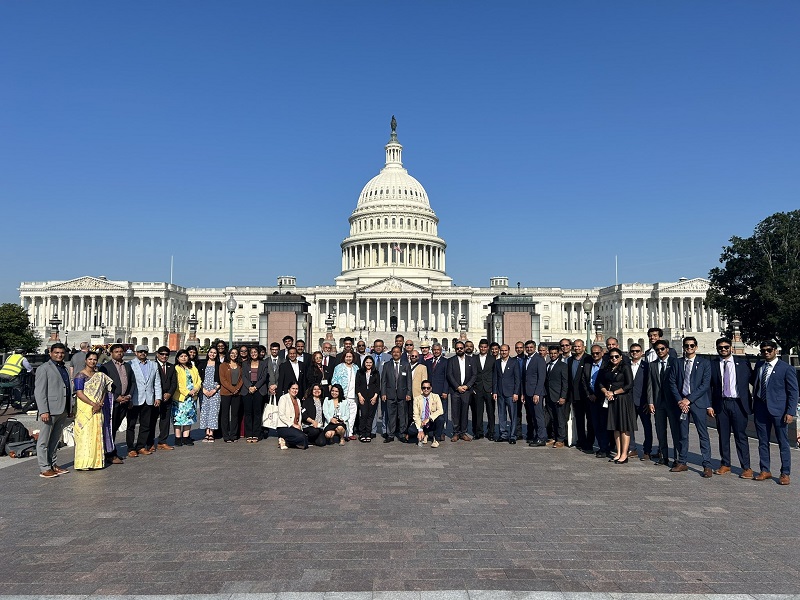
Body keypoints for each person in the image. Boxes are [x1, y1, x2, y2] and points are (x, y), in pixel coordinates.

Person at [750, 341, 798, 485]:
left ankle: (785, 473)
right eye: (763, 350)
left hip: (779, 410)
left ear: (775, 351)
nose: (766, 352)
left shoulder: (786, 368)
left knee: (783, 442)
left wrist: (790, 412)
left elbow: (793, 392)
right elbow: (755, 382)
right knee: (762, 442)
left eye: (769, 350)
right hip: (761, 409)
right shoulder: (759, 365)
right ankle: (765, 470)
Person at [708, 337, 753, 478]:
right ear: (717, 349)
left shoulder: (742, 363)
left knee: (741, 436)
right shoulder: (713, 364)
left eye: (726, 347)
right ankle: (725, 463)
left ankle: (746, 467)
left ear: (731, 348)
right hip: (721, 403)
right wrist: (709, 405)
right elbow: (709, 386)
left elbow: (753, 381)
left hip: (738, 403)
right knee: (723, 436)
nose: (723, 350)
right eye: (720, 348)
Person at [668, 336, 713, 477]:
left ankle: (707, 464)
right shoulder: (678, 362)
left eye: (692, 346)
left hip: (697, 403)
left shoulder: (704, 363)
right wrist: (680, 401)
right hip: (682, 403)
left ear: (696, 347)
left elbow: (705, 385)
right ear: (683, 347)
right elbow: (672, 382)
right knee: (683, 434)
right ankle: (682, 461)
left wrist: (689, 400)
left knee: (703, 434)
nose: (689, 348)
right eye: (686, 346)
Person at [73, 350, 117, 470]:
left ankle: (95, 462)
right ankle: (83, 463)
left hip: (98, 408)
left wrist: (100, 403)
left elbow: (104, 390)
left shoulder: (100, 376)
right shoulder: (80, 375)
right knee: (84, 434)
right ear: (85, 361)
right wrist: (92, 404)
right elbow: (79, 393)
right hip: (85, 408)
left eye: (94, 359)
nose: (92, 361)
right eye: (90, 359)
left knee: (97, 434)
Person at [34, 343, 73, 478]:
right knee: (44, 440)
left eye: (61, 353)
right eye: (56, 352)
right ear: (50, 353)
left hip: (62, 408)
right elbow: (39, 392)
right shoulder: (43, 368)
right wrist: (43, 410)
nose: (59, 355)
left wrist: (70, 407)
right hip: (50, 410)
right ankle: (44, 467)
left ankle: (52, 464)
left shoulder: (65, 368)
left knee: (55, 440)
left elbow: (67, 388)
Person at [597, 349, 636, 464]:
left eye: (616, 356)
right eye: (611, 357)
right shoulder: (607, 368)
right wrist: (606, 392)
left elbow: (629, 385)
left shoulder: (625, 367)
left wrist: (614, 392)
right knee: (615, 427)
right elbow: (600, 382)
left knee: (624, 428)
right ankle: (618, 452)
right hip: (611, 400)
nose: (614, 359)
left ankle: (624, 454)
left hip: (623, 399)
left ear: (621, 357)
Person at [646, 340, 680, 466]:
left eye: (662, 349)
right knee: (661, 431)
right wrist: (650, 402)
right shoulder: (652, 365)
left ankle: (677, 458)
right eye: (657, 350)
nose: (660, 351)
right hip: (658, 402)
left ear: (667, 349)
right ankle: (663, 456)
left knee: (675, 431)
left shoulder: (675, 362)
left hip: (672, 402)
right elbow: (650, 385)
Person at [99, 344, 133, 463]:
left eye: (121, 351)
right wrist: (115, 397)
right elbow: (102, 386)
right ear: (111, 353)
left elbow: (132, 382)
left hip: (124, 401)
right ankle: (110, 453)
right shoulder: (105, 367)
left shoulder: (127, 366)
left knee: (116, 427)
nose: (119, 353)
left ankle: (110, 450)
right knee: (110, 428)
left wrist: (128, 395)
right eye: (116, 351)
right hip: (112, 402)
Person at [127, 345, 162, 457]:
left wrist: (158, 397)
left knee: (145, 425)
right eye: (140, 351)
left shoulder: (153, 365)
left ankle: (141, 446)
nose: (143, 353)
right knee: (131, 425)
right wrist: (129, 397)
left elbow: (157, 382)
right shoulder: (130, 364)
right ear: (136, 353)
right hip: (135, 398)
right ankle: (131, 447)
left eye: (145, 351)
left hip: (148, 398)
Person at [582, 345, 610, 458]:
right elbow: (584, 380)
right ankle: (601, 446)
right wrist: (589, 394)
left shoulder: (607, 364)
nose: (595, 355)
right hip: (592, 398)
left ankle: (605, 448)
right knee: (595, 424)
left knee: (604, 424)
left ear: (602, 353)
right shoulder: (588, 364)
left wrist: (600, 394)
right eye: (593, 353)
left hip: (603, 398)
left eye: (597, 353)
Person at [446, 341, 476, 442]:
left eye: (461, 348)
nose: (459, 350)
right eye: (457, 348)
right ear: (455, 349)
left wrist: (467, 386)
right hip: (455, 391)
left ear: (464, 349)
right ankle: (456, 433)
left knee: (464, 411)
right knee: (455, 412)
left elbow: (474, 375)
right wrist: (457, 386)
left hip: (466, 390)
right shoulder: (451, 360)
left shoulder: (471, 360)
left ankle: (463, 432)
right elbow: (449, 375)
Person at [381, 345, 412, 443]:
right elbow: (384, 381)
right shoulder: (387, 365)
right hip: (390, 394)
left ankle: (402, 434)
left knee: (402, 415)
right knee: (391, 415)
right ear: (391, 353)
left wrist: (408, 393)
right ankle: (391, 434)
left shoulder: (406, 365)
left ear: (401, 353)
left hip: (402, 394)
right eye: (394, 352)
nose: (395, 353)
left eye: (397, 352)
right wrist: (383, 393)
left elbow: (409, 381)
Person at [627, 343, 653, 460]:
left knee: (647, 426)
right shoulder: (625, 365)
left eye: (637, 351)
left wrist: (649, 402)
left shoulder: (647, 366)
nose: (635, 353)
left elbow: (650, 385)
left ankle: (647, 450)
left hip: (643, 402)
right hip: (629, 401)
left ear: (641, 352)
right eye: (632, 351)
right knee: (629, 426)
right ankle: (632, 448)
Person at [568, 340, 593, 453]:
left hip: (587, 395)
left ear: (583, 347)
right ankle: (581, 440)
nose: (577, 348)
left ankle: (590, 442)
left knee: (590, 420)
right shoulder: (570, 360)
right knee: (579, 419)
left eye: (579, 346)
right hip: (575, 395)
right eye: (575, 346)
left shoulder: (589, 359)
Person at [150, 346, 177, 451]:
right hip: (155, 398)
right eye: (162, 354)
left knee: (165, 421)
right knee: (152, 421)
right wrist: (159, 395)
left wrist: (169, 393)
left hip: (167, 398)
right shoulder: (152, 365)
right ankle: (150, 443)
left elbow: (174, 382)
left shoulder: (171, 366)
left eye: (166, 354)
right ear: (157, 354)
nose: (164, 356)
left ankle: (162, 441)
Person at [492, 344, 520, 444]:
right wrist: (494, 391)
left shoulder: (514, 362)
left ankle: (512, 435)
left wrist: (516, 393)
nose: (503, 352)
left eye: (505, 350)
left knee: (513, 415)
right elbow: (495, 378)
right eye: (502, 350)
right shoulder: (497, 362)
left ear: (509, 351)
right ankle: (503, 434)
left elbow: (517, 379)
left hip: (511, 393)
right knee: (501, 414)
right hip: (500, 393)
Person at [172, 349, 200, 446]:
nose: (184, 358)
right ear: (178, 358)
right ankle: (178, 438)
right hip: (180, 397)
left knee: (189, 417)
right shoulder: (176, 368)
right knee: (178, 418)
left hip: (192, 397)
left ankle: (186, 437)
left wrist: (195, 389)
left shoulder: (192, 368)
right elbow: (177, 383)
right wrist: (187, 392)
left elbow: (198, 380)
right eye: (181, 356)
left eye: (185, 356)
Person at [242, 346, 269, 442]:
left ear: (258, 353)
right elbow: (243, 376)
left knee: (257, 412)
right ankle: (249, 434)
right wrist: (250, 386)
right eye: (251, 352)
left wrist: (255, 387)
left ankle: (257, 434)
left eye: (255, 352)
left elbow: (264, 377)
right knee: (248, 412)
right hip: (247, 389)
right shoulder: (245, 364)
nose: (253, 354)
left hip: (259, 389)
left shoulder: (263, 363)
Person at [544, 345, 569, 448]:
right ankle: (553, 437)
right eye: (551, 353)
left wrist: (563, 396)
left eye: (555, 353)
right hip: (549, 396)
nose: (553, 355)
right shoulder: (547, 365)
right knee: (552, 418)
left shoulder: (562, 366)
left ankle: (561, 439)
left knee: (560, 418)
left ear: (558, 353)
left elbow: (565, 382)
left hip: (558, 396)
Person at [523, 340, 547, 446]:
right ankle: (537, 435)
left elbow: (541, 378)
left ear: (534, 348)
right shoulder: (526, 359)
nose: (529, 349)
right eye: (527, 347)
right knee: (532, 416)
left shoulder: (539, 359)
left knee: (538, 416)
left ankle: (542, 438)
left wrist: (537, 393)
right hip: (528, 392)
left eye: (531, 347)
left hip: (536, 393)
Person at [331, 349, 359, 439]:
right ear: (344, 357)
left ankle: (350, 433)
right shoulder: (339, 367)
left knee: (352, 415)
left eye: (350, 357)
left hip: (353, 395)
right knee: (342, 415)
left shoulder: (356, 368)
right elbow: (334, 380)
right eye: (347, 356)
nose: (348, 358)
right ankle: (342, 433)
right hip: (343, 395)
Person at [471, 339, 496, 440]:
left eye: (485, 347)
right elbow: (472, 373)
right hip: (478, 389)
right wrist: (473, 387)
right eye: (481, 347)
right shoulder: (474, 358)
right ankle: (479, 432)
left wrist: (494, 389)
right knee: (478, 412)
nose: (483, 349)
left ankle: (491, 432)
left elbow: (495, 375)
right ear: (479, 347)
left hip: (489, 389)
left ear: (488, 348)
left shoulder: (492, 359)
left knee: (490, 412)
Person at [423, 342, 449, 440]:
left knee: (442, 413)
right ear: (432, 350)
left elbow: (447, 377)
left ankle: (442, 432)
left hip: (441, 392)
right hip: (430, 392)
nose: (436, 351)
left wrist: (445, 391)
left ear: (441, 350)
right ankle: (431, 431)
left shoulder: (446, 362)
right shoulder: (428, 361)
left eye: (438, 350)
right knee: (430, 411)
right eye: (434, 350)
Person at [410, 379, 444, 448]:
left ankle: (436, 439)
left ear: (431, 388)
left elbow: (440, 410)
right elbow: (415, 415)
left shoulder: (436, 396)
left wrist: (429, 418)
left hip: (431, 421)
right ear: (421, 388)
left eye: (428, 388)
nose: (426, 389)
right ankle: (424, 434)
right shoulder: (417, 399)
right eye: (424, 388)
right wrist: (420, 430)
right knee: (411, 430)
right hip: (422, 423)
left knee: (441, 419)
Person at [198, 347, 222, 443]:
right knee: (204, 411)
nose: (212, 354)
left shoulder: (219, 365)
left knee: (213, 412)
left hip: (215, 391)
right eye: (211, 352)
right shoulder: (202, 364)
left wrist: (214, 390)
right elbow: (198, 378)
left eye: (215, 353)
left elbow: (221, 379)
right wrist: (203, 389)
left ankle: (211, 433)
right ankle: (206, 431)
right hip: (203, 390)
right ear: (208, 353)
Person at [219, 348, 243, 443]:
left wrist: (237, 388)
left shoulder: (240, 365)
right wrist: (233, 389)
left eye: (236, 353)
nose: (234, 355)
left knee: (235, 414)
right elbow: (223, 380)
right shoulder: (223, 365)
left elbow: (242, 378)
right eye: (232, 353)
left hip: (237, 393)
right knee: (225, 414)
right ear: (229, 354)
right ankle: (225, 435)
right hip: (226, 392)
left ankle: (233, 435)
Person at [275, 382, 308, 450]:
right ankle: (284, 440)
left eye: (296, 389)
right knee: (302, 438)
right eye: (293, 388)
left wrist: (299, 426)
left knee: (305, 440)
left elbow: (299, 416)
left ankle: (287, 442)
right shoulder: (283, 398)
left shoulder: (298, 400)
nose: (295, 390)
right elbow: (281, 415)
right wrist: (293, 424)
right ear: (289, 389)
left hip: (295, 427)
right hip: (284, 426)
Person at [355, 355, 380, 443]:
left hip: (373, 397)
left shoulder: (376, 372)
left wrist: (375, 397)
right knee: (364, 415)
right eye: (367, 362)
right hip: (363, 396)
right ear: (364, 363)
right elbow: (357, 385)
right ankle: (362, 433)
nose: (368, 364)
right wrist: (360, 396)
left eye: (370, 362)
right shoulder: (359, 372)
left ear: (372, 363)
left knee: (370, 416)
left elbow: (377, 385)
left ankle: (368, 433)